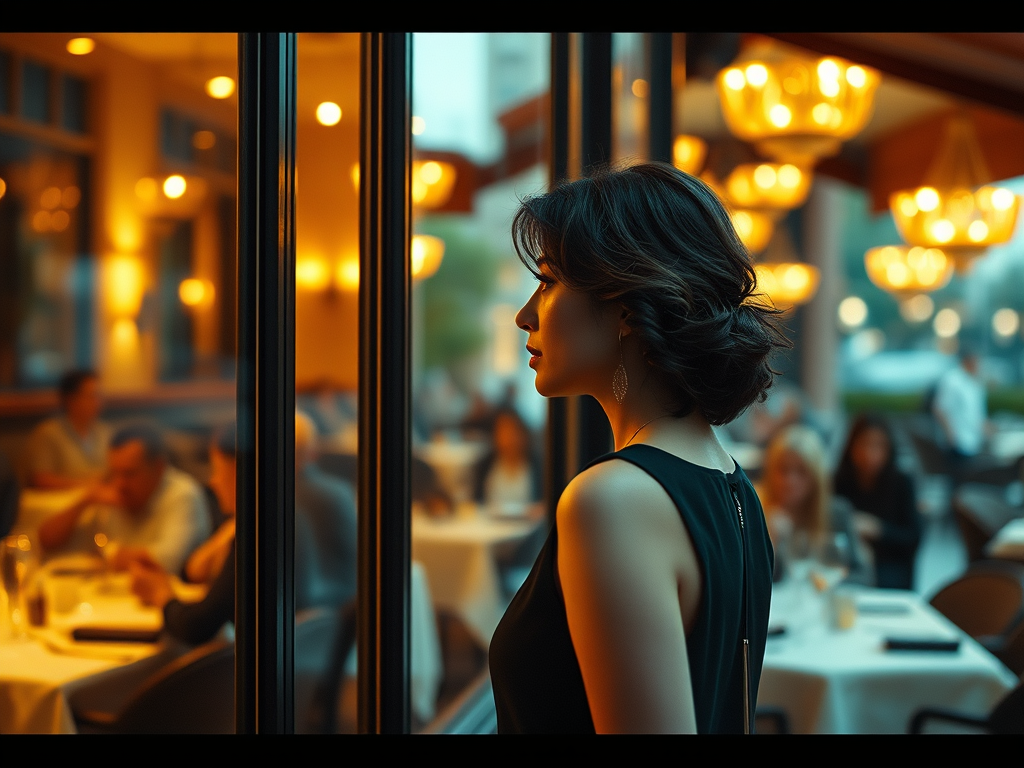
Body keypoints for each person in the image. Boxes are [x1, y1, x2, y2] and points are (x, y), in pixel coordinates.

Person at [488, 162, 784, 734]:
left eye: (547, 282)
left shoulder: (614, 500)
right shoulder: (729, 482)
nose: (525, 315)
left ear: (625, 306)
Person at [37, 424, 210, 576]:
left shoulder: (184, 495)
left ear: (158, 467)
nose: (120, 483)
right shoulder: (115, 493)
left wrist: (108, 555)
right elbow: (46, 541)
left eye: (129, 473)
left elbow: (164, 562)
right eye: (114, 473)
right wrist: (85, 502)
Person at [130, 422, 237, 646]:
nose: (213, 481)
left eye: (218, 470)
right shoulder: (282, 517)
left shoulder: (256, 538)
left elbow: (197, 627)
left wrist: (162, 596)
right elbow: (192, 571)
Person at [755, 425, 871, 585]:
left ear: (817, 477)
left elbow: (862, 576)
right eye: (783, 470)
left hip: (822, 605)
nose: (790, 481)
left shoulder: (836, 513)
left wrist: (823, 582)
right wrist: (772, 541)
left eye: (801, 471)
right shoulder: (756, 512)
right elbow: (754, 579)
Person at [834, 413, 921, 591]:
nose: (871, 453)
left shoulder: (901, 482)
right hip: (849, 565)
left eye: (879, 445)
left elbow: (913, 537)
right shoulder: (839, 481)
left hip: (889, 568)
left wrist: (878, 529)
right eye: (865, 444)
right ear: (852, 446)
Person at [294, 409, 358, 610]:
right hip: (341, 611)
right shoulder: (338, 493)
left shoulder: (264, 498)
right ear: (314, 453)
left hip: (292, 610)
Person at [22, 369, 113, 490]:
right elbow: (40, 479)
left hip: (99, 499)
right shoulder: (48, 433)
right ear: (71, 399)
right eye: (92, 396)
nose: (98, 402)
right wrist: (87, 485)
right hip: (60, 503)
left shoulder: (105, 431)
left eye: (100, 396)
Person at [472, 406, 543, 518]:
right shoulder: (485, 464)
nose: (508, 437)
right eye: (502, 431)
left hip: (529, 527)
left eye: (512, 430)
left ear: (523, 433)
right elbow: (476, 501)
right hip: (491, 526)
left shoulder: (538, 465)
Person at [932, 349, 988, 486]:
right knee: (957, 484)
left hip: (972, 441)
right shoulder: (953, 380)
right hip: (957, 442)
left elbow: (974, 413)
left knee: (969, 482)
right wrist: (951, 435)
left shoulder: (974, 383)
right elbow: (940, 408)